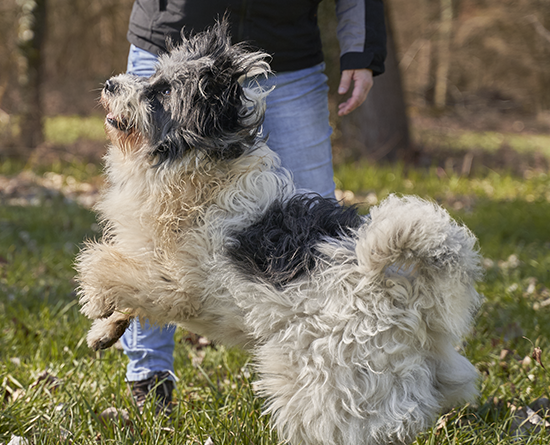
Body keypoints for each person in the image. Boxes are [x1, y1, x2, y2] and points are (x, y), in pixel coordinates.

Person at [118, 0, 388, 413]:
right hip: (172, 44)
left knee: (322, 232)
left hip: (285, 57)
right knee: (150, 224)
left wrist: (360, 48)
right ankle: (149, 376)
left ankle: (351, 377)